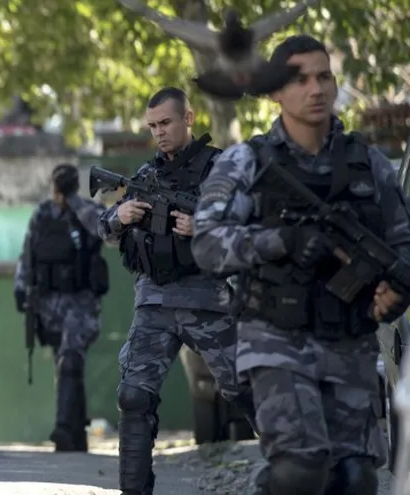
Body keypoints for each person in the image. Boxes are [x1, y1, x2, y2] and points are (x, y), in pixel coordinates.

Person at [191, 34, 410, 495]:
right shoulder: (246, 163)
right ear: (274, 91)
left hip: (349, 342)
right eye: (300, 79)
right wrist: (281, 240)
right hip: (275, 339)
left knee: (354, 479)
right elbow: (207, 245)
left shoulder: (369, 164)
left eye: (324, 77)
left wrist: (396, 290)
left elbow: (403, 243)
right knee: (299, 472)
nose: (316, 89)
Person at [98, 87, 257, 495]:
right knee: (134, 396)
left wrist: (203, 226)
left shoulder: (220, 168)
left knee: (250, 391)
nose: (159, 133)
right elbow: (105, 231)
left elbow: (251, 229)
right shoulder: (146, 175)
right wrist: (119, 215)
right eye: (152, 126)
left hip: (207, 299)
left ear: (189, 118)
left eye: (165, 123)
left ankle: (297, 477)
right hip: (153, 301)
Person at [14, 163, 109, 452]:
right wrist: (21, 288)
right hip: (49, 302)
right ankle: (76, 432)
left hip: (80, 301)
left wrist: (75, 202)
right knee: (66, 363)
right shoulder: (43, 214)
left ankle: (65, 428)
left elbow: (103, 228)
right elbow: (28, 252)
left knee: (70, 359)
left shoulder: (87, 211)